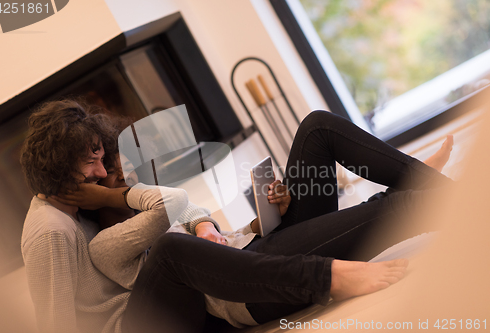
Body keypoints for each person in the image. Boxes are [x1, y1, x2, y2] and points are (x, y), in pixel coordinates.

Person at [40, 100, 453, 332]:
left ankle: (418, 177)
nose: (115, 177)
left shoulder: (147, 224)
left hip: (258, 249)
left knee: (317, 129)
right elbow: (169, 206)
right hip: (253, 282)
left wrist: (257, 222)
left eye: (112, 167)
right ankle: (438, 194)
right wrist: (114, 194)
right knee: (391, 209)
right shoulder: (103, 247)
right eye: (108, 175)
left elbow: (198, 226)